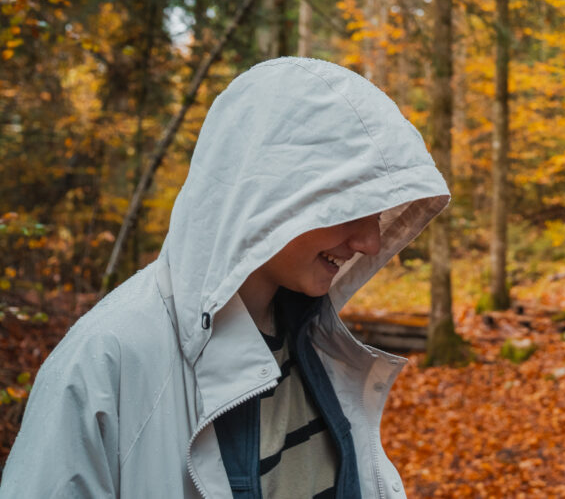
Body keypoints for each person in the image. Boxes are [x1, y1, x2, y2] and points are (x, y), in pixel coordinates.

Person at [0, 57, 450, 498]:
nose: (371, 242)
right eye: (350, 207)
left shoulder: (314, 340)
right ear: (271, 195)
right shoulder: (104, 363)